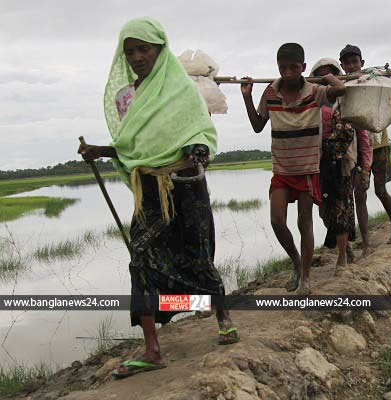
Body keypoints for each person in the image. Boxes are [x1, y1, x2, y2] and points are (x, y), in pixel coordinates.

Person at [78, 17, 238, 379]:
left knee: (197, 254)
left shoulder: (180, 89)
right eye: (130, 51)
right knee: (141, 260)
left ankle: (222, 316)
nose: (137, 56)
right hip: (149, 190)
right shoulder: (128, 97)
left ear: (159, 49)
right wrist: (100, 150)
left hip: (185, 182)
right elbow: (132, 145)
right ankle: (152, 349)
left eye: (144, 49)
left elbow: (199, 129)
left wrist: (198, 151)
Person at [240, 43, 346, 295]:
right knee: (277, 220)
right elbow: (257, 126)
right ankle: (297, 263)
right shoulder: (270, 93)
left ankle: (306, 279)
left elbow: (341, 90)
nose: (288, 72)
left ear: (303, 68)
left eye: (293, 67)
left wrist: (328, 76)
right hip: (282, 169)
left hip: (308, 168)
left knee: (304, 222)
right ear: (277, 67)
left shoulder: (316, 92)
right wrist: (247, 96)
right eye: (283, 68)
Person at [339, 44, 391, 246]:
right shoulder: (342, 86)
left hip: (379, 143)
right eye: (347, 63)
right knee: (359, 195)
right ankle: (366, 243)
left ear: (362, 63)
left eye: (354, 62)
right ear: (342, 66)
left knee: (380, 190)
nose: (351, 66)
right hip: (356, 148)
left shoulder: (373, 79)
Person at [311, 58, 356, 270]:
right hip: (319, 159)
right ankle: (344, 246)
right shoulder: (314, 102)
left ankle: (341, 258)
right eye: (321, 74)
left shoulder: (344, 100)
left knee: (341, 208)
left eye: (330, 74)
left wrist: (362, 164)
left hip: (341, 159)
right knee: (323, 208)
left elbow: (351, 132)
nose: (326, 79)